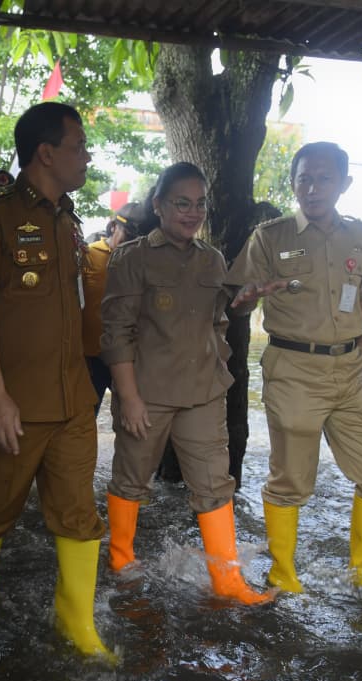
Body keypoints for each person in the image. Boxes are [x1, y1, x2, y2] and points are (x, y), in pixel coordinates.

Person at [0, 102, 113, 660]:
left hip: (73, 400)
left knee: (78, 514)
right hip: (16, 404)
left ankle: (78, 626)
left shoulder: (69, 219)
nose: (87, 155)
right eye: (80, 145)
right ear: (47, 153)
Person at [230, 141, 362, 612]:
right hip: (294, 368)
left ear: (344, 183)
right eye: (303, 178)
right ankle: (283, 572)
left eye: (324, 178)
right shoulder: (269, 236)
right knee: (291, 480)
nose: (312, 188)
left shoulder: (361, 235)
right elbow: (238, 299)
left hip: (353, 370)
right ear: (293, 182)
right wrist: (249, 295)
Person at [101, 162, 274, 605]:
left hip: (203, 392)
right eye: (182, 203)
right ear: (158, 205)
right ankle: (121, 559)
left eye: (199, 204)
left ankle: (227, 580)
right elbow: (116, 334)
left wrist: (243, 303)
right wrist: (129, 398)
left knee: (215, 484)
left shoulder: (212, 259)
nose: (192, 212)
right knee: (131, 479)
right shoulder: (131, 257)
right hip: (149, 394)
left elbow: (219, 317)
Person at [82, 202, 144, 414]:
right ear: (112, 227)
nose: (132, 242)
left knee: (133, 417)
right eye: (128, 234)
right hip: (92, 357)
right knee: (85, 418)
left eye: (138, 237)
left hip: (129, 358)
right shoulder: (87, 256)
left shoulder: (143, 261)